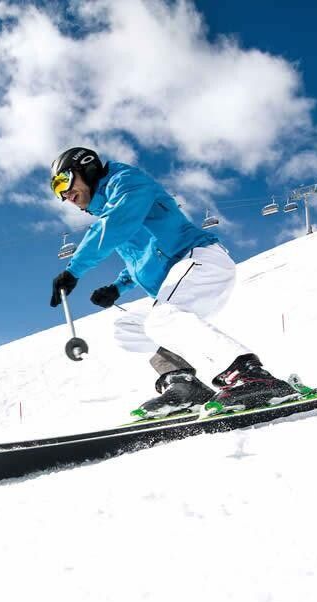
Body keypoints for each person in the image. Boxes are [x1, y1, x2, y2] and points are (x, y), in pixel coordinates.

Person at [48, 146, 294, 418]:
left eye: (63, 182)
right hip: (180, 280)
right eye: (56, 190)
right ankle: (184, 384)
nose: (64, 195)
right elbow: (141, 258)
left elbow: (117, 222)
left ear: (87, 168)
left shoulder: (126, 183)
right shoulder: (110, 210)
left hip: (200, 261)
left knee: (161, 318)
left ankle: (251, 375)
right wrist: (117, 287)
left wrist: (74, 270)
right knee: (129, 327)